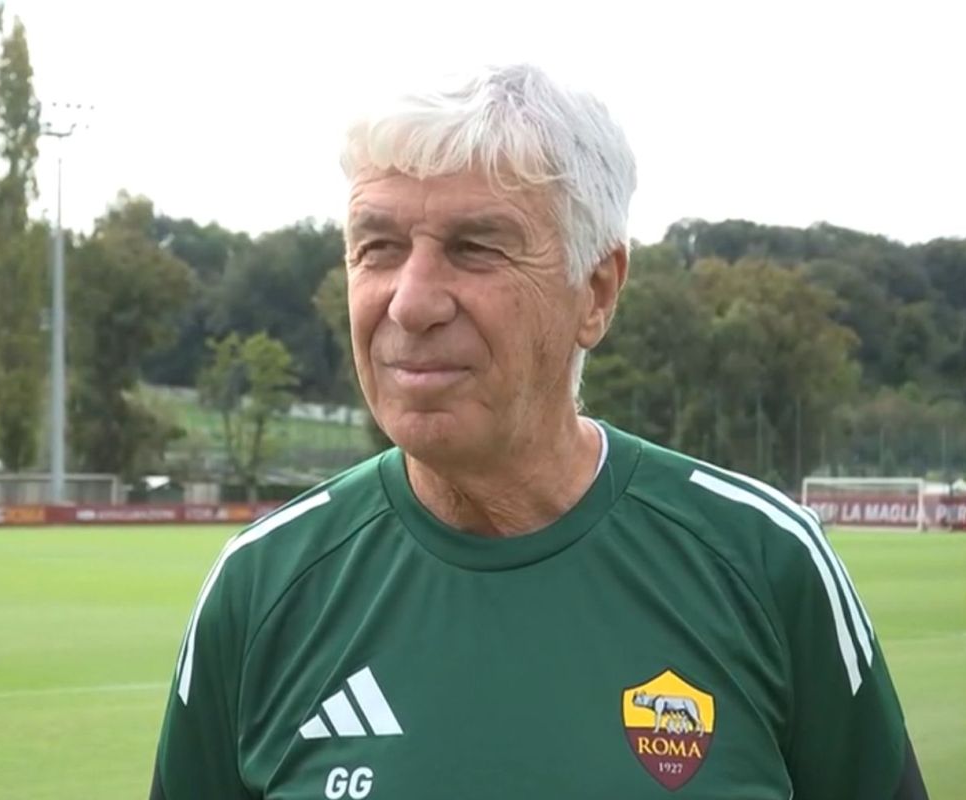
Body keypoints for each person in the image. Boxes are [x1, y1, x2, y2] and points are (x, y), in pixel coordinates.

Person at [150, 64, 927, 799]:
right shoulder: (262, 587)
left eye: (476, 248)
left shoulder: (763, 562)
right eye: (377, 247)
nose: (410, 302)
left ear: (596, 292)